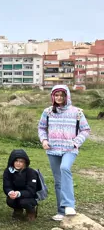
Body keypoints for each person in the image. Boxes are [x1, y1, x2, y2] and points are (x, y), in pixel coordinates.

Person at [38, 85, 90, 221]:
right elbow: (42, 128)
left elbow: (85, 129)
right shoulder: (48, 112)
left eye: (62, 95)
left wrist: (76, 142)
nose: (59, 98)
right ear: (53, 96)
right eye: (56, 95)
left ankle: (69, 205)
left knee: (65, 168)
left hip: (70, 149)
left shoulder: (77, 112)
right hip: (52, 150)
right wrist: (44, 140)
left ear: (67, 96)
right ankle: (61, 211)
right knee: (58, 181)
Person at [3, 149, 38, 221]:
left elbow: (31, 190)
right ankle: (18, 210)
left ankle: (31, 210)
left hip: (29, 196)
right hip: (14, 194)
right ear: (12, 161)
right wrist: (10, 192)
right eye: (16, 161)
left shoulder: (31, 172)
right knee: (10, 200)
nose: (18, 163)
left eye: (21, 161)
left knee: (24, 202)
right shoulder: (8, 171)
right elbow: (6, 186)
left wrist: (19, 193)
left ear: (25, 163)